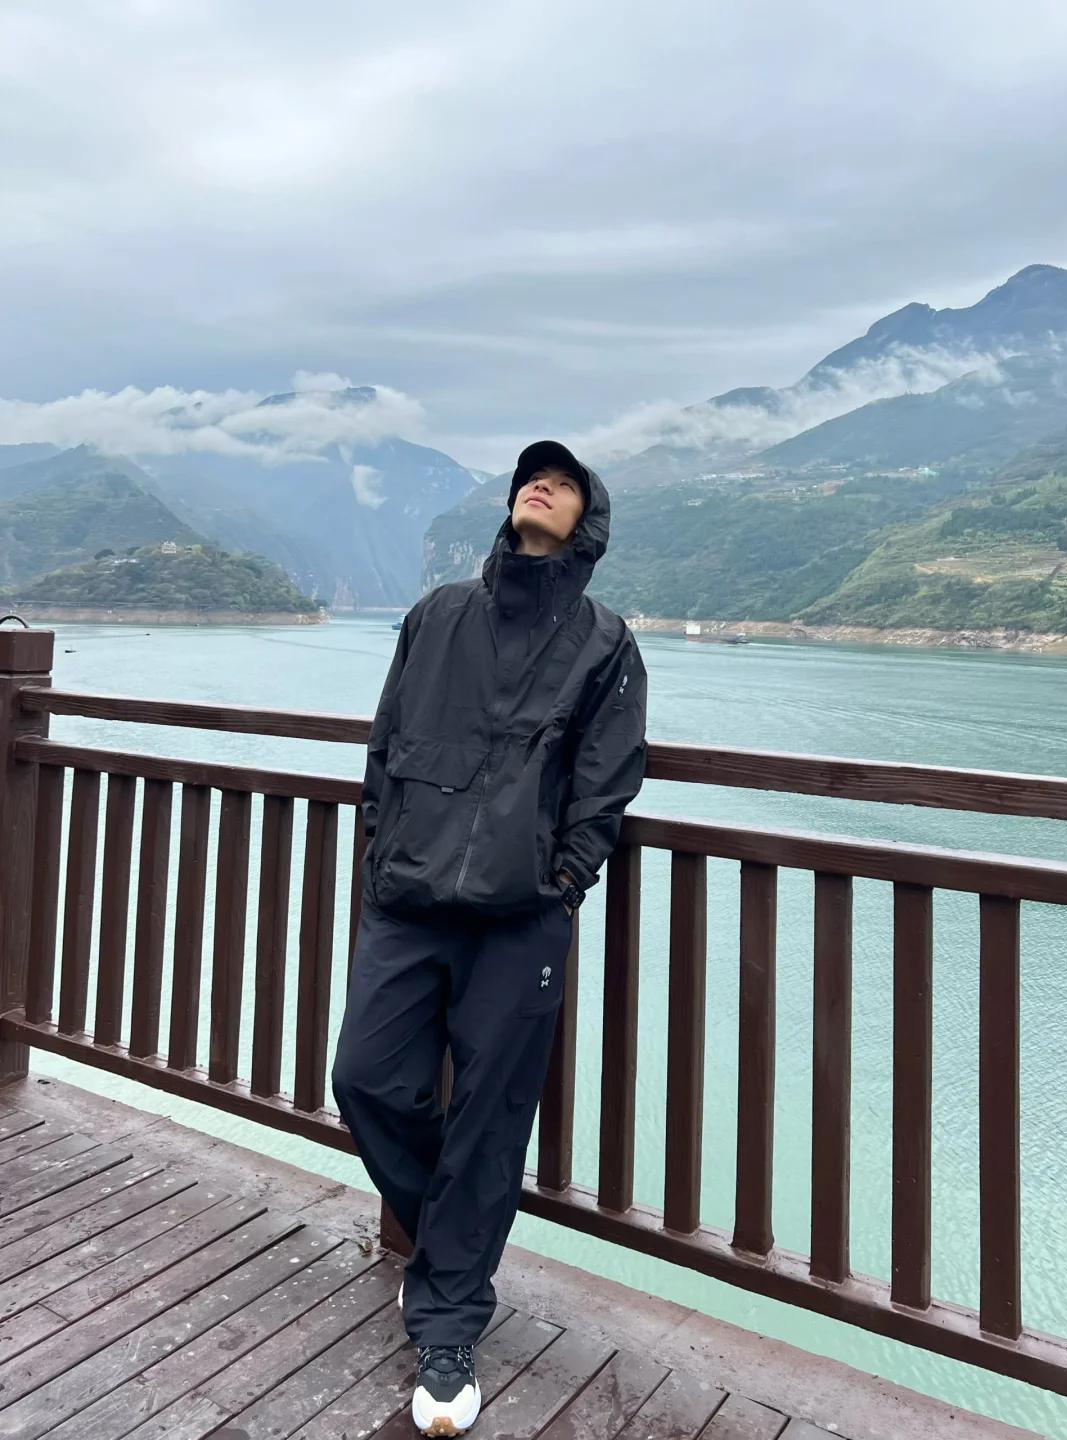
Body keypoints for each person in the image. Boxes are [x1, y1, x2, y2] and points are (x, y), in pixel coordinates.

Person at [332, 440, 647, 1436]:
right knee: (364, 1079)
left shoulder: (605, 643)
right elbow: (384, 746)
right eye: (531, 476)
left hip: (520, 922)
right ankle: (451, 1254)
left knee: (489, 1122)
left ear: (588, 521)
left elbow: (605, 786)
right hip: (409, 901)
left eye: (566, 482)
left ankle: (449, 1322)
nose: (541, 484)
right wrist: (381, 855)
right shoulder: (436, 617)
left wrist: (562, 883)